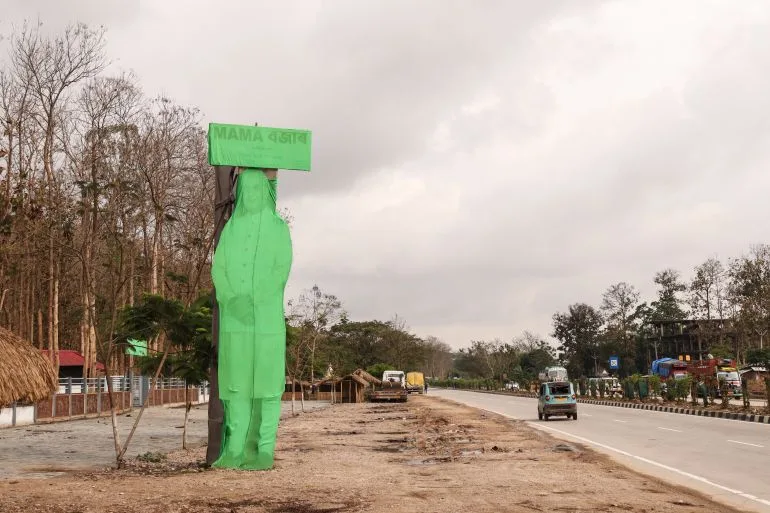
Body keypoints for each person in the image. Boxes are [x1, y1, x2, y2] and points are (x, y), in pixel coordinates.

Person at [211, 168, 292, 471]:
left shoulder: (277, 227)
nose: (254, 195)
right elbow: (219, 269)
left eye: (260, 190)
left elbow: (280, 269)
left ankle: (264, 449)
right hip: (235, 320)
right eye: (249, 190)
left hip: (267, 320)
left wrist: (255, 299)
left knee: (267, 385)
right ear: (241, 193)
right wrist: (233, 298)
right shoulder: (231, 229)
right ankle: (233, 450)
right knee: (236, 385)